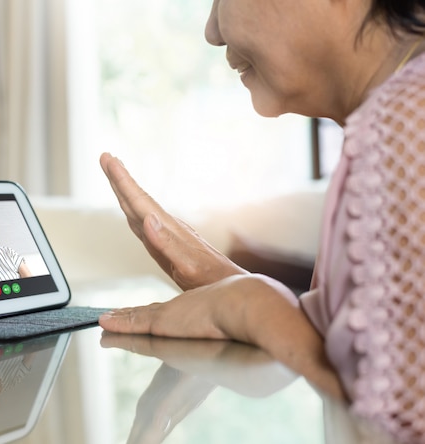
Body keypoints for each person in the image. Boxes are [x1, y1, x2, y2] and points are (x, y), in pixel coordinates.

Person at [97, 0, 425, 441]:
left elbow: (400, 420)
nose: (212, 30)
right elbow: (381, 349)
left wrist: (255, 309)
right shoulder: (391, 117)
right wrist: (226, 284)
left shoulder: (408, 119)